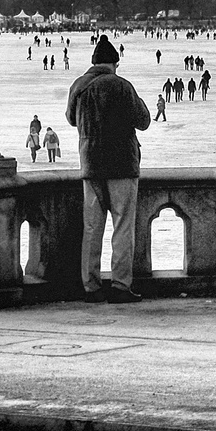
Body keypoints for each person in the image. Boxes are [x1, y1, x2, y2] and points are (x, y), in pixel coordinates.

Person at [67, 35, 151, 304]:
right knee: (122, 227)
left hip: (90, 163)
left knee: (92, 228)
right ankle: (120, 285)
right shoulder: (121, 86)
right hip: (121, 164)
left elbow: (70, 119)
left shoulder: (79, 86)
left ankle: (90, 285)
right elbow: (143, 121)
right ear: (114, 63)